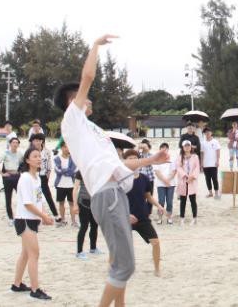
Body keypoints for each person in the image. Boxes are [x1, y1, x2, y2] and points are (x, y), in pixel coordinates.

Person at [58, 33, 168, 307]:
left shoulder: (93, 131)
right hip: (106, 194)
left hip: (115, 192)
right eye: (84, 97)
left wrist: (150, 160)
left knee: (121, 264)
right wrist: (95, 46)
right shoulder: (72, 120)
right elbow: (88, 77)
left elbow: (119, 165)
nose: (89, 99)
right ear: (74, 101)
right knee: (125, 266)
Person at [10, 148, 55, 300]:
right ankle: (35, 289)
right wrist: (43, 216)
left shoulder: (37, 178)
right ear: (27, 160)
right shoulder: (25, 178)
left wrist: (44, 216)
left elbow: (38, 200)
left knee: (25, 253)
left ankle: (16, 284)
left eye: (39, 156)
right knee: (34, 254)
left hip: (33, 219)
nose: (38, 159)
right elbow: (28, 203)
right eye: (35, 156)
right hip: (25, 219)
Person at [123, 149, 165, 276]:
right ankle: (112, 267)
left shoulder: (144, 178)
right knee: (120, 246)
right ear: (125, 161)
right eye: (129, 158)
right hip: (125, 218)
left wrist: (158, 205)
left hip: (142, 217)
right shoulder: (121, 179)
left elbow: (148, 196)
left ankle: (157, 269)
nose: (132, 160)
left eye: (135, 158)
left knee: (156, 242)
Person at [0, 137, 23, 225]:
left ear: (18, 144)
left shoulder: (20, 153)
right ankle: (11, 218)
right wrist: (2, 173)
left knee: (21, 197)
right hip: (8, 177)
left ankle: (21, 216)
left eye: (17, 143)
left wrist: (21, 171)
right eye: (13, 142)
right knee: (8, 198)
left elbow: (23, 163)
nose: (15, 144)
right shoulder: (5, 153)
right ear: (10, 144)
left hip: (17, 176)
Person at [30, 133, 60, 223]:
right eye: (35, 141)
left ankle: (56, 215)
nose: (37, 142)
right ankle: (38, 215)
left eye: (39, 140)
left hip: (43, 176)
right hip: (34, 176)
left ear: (42, 141)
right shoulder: (30, 151)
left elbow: (49, 165)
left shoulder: (46, 151)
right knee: (36, 196)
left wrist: (48, 175)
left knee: (48, 196)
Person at [72, 170, 100, 260]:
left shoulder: (97, 170)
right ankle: (79, 251)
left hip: (95, 201)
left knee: (94, 225)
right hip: (83, 202)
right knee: (84, 226)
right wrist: (75, 205)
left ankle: (93, 248)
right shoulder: (81, 171)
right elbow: (75, 188)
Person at [54, 140, 77, 226]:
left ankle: (73, 221)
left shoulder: (73, 159)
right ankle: (63, 220)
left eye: (68, 147)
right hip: (60, 184)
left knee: (72, 203)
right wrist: (67, 171)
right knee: (61, 203)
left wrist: (64, 171)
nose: (67, 149)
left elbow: (74, 171)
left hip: (71, 185)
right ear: (61, 148)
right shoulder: (57, 158)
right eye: (65, 147)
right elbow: (57, 170)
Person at [177, 140, 200, 225]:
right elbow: (178, 167)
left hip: (192, 181)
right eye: (185, 146)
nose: (187, 147)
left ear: (190, 147)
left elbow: (197, 168)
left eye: (188, 146)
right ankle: (182, 218)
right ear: (183, 147)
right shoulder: (180, 157)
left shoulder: (195, 157)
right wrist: (185, 175)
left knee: (193, 200)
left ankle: (194, 218)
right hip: (183, 180)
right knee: (183, 200)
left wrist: (192, 177)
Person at [153, 142, 177, 225]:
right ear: (159, 150)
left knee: (169, 202)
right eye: (162, 148)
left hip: (171, 184)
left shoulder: (172, 159)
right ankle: (160, 218)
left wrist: (168, 180)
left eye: (166, 148)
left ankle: (169, 217)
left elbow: (174, 171)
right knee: (161, 201)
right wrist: (165, 180)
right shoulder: (156, 159)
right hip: (160, 184)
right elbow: (157, 172)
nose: (164, 150)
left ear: (168, 150)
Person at [201, 127, 222, 199]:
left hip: (213, 164)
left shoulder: (215, 141)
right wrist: (202, 163)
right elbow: (202, 153)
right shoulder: (203, 143)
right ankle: (210, 193)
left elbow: (218, 151)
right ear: (204, 134)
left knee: (214, 178)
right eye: (205, 132)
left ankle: (216, 193)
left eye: (208, 132)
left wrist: (217, 161)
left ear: (211, 133)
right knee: (207, 179)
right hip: (205, 164)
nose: (207, 133)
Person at [138, 140, 156, 213]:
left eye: (146, 146)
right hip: (140, 179)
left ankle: (148, 212)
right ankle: (141, 211)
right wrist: (140, 146)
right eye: (144, 146)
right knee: (140, 196)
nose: (145, 147)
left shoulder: (151, 155)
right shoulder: (138, 155)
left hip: (150, 178)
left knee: (150, 196)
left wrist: (146, 148)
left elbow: (149, 161)